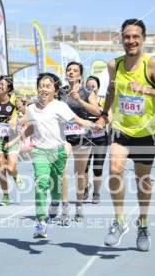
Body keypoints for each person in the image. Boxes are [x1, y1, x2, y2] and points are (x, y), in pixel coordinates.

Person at [98, 18, 155, 252]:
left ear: (143, 39)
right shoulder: (115, 65)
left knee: (142, 181)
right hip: (121, 130)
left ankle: (143, 223)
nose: (130, 41)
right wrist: (104, 113)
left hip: (146, 133)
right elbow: (112, 89)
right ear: (121, 38)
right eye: (127, 36)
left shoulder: (151, 65)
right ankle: (120, 221)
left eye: (135, 37)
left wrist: (147, 90)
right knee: (114, 169)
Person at [6, 73, 101, 238]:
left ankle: (56, 201)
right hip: (40, 152)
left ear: (55, 91)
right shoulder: (31, 108)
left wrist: (93, 125)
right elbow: (29, 128)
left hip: (58, 152)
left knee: (56, 187)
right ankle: (41, 222)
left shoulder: (60, 106)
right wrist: (16, 136)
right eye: (41, 86)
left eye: (47, 86)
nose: (43, 89)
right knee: (41, 183)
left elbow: (78, 120)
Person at [56, 61, 101, 223]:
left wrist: (80, 101)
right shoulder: (61, 92)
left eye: (75, 70)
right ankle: (65, 206)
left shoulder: (87, 91)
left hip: (83, 136)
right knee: (62, 168)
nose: (71, 72)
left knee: (80, 174)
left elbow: (97, 111)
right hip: (65, 137)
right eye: (69, 70)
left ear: (80, 75)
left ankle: (79, 204)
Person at [0, 75, 23, 206]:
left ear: (9, 87)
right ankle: (5, 196)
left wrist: (17, 119)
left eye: (3, 84)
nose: (0, 86)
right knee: (1, 168)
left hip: (12, 138)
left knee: (10, 168)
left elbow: (26, 114)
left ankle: (16, 176)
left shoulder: (15, 101)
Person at [83, 75, 109, 204]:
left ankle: (96, 192)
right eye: (88, 87)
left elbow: (110, 116)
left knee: (97, 168)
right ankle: (86, 188)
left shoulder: (104, 101)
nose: (91, 89)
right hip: (85, 137)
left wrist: (101, 122)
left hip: (100, 139)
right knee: (84, 167)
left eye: (93, 86)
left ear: (98, 88)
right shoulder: (82, 100)